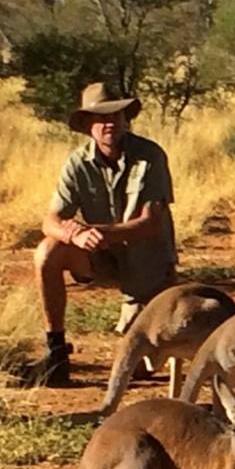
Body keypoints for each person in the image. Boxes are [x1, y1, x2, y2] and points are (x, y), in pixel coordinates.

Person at [31, 82, 177, 386]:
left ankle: (162, 313)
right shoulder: (76, 163)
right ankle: (56, 353)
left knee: (138, 367)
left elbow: (150, 224)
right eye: (100, 117)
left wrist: (97, 232)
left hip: (147, 268)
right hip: (102, 258)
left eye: (116, 115)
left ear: (126, 120)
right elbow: (51, 221)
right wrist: (73, 235)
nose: (109, 123)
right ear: (87, 125)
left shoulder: (150, 157)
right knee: (47, 252)